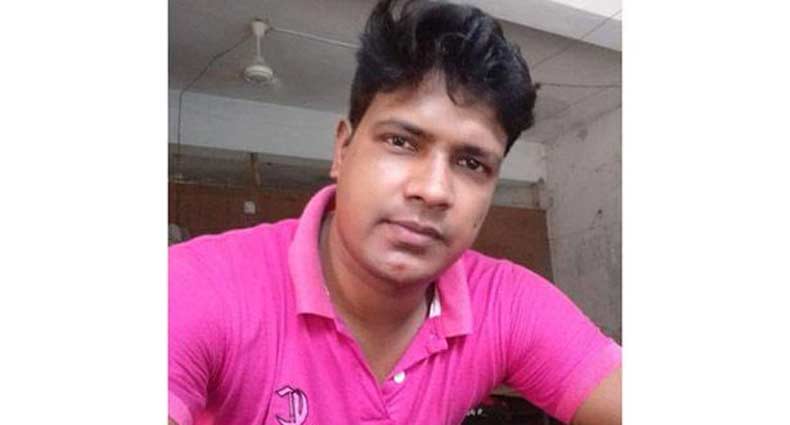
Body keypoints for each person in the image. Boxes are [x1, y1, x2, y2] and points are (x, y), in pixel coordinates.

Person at [168, 0, 622, 424]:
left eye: (471, 163)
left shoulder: (506, 305)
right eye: (401, 142)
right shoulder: (200, 286)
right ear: (343, 150)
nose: (433, 190)